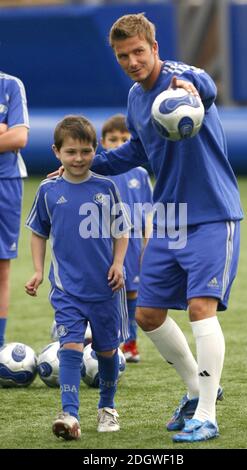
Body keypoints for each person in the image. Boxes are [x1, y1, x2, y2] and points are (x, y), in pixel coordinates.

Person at [88, 13, 243, 443]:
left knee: (199, 308)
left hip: (213, 213)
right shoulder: (137, 99)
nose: (133, 61)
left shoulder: (181, 78)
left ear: (154, 48)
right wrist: (83, 164)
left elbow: (205, 88)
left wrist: (193, 87)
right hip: (170, 218)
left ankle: (208, 416)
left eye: (140, 51)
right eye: (124, 56)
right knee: (149, 315)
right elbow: (136, 150)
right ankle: (197, 392)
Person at [25, 115, 131, 440]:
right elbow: (38, 233)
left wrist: (118, 264)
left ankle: (107, 407)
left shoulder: (106, 187)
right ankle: (69, 414)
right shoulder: (47, 190)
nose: (79, 158)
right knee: (69, 347)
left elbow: (121, 230)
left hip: (105, 288)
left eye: (86, 151)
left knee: (107, 351)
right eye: (71, 152)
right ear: (56, 151)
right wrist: (39, 271)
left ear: (95, 150)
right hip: (67, 289)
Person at [100, 114, 153, 362]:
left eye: (125, 139)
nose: (119, 143)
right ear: (103, 142)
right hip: (100, 241)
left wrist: (148, 246)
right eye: (113, 139)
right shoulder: (98, 171)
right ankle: (100, 341)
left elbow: (149, 214)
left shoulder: (140, 173)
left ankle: (130, 343)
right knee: (103, 292)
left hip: (131, 243)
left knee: (131, 293)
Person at [0, 71, 29, 348]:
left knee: (1, 269)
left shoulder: (10, 85)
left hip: (5, 182)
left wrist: (9, 132)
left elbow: (19, 137)